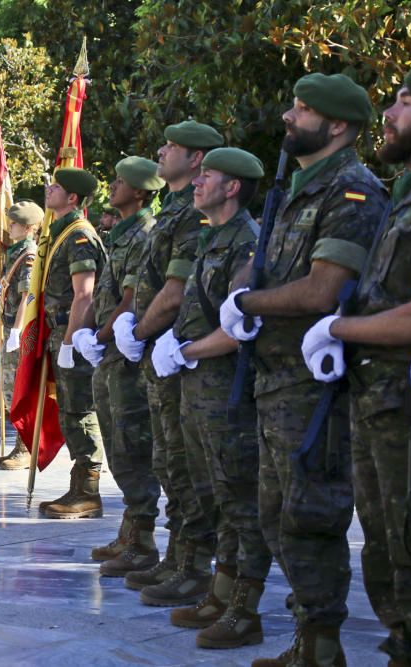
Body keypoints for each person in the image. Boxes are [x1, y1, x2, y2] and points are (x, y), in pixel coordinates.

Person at [218, 73, 389, 665]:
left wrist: (245, 305)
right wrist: (243, 287)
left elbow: (322, 291)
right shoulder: (297, 188)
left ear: (337, 125)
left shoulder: (351, 192)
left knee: (310, 516)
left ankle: (322, 643)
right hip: (274, 380)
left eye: (302, 109)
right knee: (275, 515)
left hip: (314, 388)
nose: (288, 116)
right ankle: (307, 638)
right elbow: (261, 264)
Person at [299, 66, 411, 666]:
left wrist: (335, 326)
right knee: (385, 549)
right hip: (378, 401)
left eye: (404, 102)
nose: (388, 112)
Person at [151, 147, 272, 648]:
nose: (197, 184)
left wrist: (187, 350)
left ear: (233, 187)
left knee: (240, 500)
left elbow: (241, 325)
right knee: (213, 495)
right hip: (198, 385)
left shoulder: (246, 241)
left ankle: (244, 608)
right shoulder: (211, 237)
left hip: (227, 389)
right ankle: (220, 593)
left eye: (208, 177)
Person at [113, 120, 224, 603]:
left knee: (183, 465)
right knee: (168, 461)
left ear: (196, 159)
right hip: (159, 355)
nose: (162, 150)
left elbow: (175, 293)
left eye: (173, 146)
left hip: (178, 357)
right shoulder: (173, 213)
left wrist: (138, 332)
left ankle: (194, 565)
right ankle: (177, 558)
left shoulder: (190, 219)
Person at [77, 157, 162, 570]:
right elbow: (105, 295)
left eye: (120, 181)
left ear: (141, 192)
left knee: (132, 447)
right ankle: (129, 530)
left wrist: (100, 336)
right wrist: (86, 331)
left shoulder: (144, 233)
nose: (112, 185)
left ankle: (141, 541)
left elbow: (131, 300)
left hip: (127, 358)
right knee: (116, 444)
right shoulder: (122, 233)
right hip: (110, 354)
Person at [38, 167, 106, 520]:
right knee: (68, 407)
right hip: (60, 333)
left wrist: (69, 343)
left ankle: (88, 492)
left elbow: (84, 295)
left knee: (80, 409)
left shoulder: (79, 236)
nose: (49, 189)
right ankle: (78, 486)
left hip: (74, 335)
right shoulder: (60, 233)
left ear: (73, 198)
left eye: (57, 187)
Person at [0, 200, 42, 469]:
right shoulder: (17, 252)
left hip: (19, 330)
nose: (8, 227)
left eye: (13, 223)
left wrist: (16, 331)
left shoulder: (29, 255)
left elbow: (28, 296)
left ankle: (25, 447)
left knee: (17, 389)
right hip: (10, 325)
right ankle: (20, 444)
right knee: (9, 388)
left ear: (28, 228)